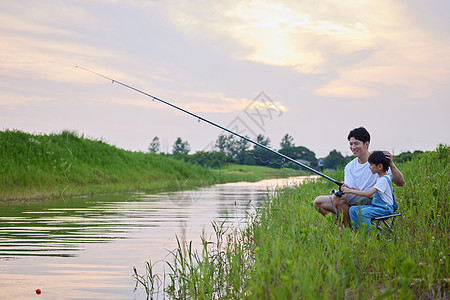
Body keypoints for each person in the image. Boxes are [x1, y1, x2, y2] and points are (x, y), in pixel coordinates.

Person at [313, 127, 404, 226]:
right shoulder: (349, 167)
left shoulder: (379, 161)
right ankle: (345, 228)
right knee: (318, 202)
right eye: (351, 144)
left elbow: (400, 183)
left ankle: (352, 232)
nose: (353, 147)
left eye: (356, 143)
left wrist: (391, 164)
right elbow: (350, 189)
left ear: (366, 144)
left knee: (338, 198)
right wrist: (344, 188)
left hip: (374, 201)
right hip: (357, 197)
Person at [342, 151, 397, 229]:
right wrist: (357, 190)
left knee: (364, 213)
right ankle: (358, 232)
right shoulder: (380, 179)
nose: (369, 167)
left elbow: (368, 194)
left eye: (371, 165)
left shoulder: (384, 180)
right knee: (353, 209)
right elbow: (372, 195)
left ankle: (368, 235)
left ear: (380, 166)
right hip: (378, 206)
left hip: (385, 208)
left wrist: (350, 191)